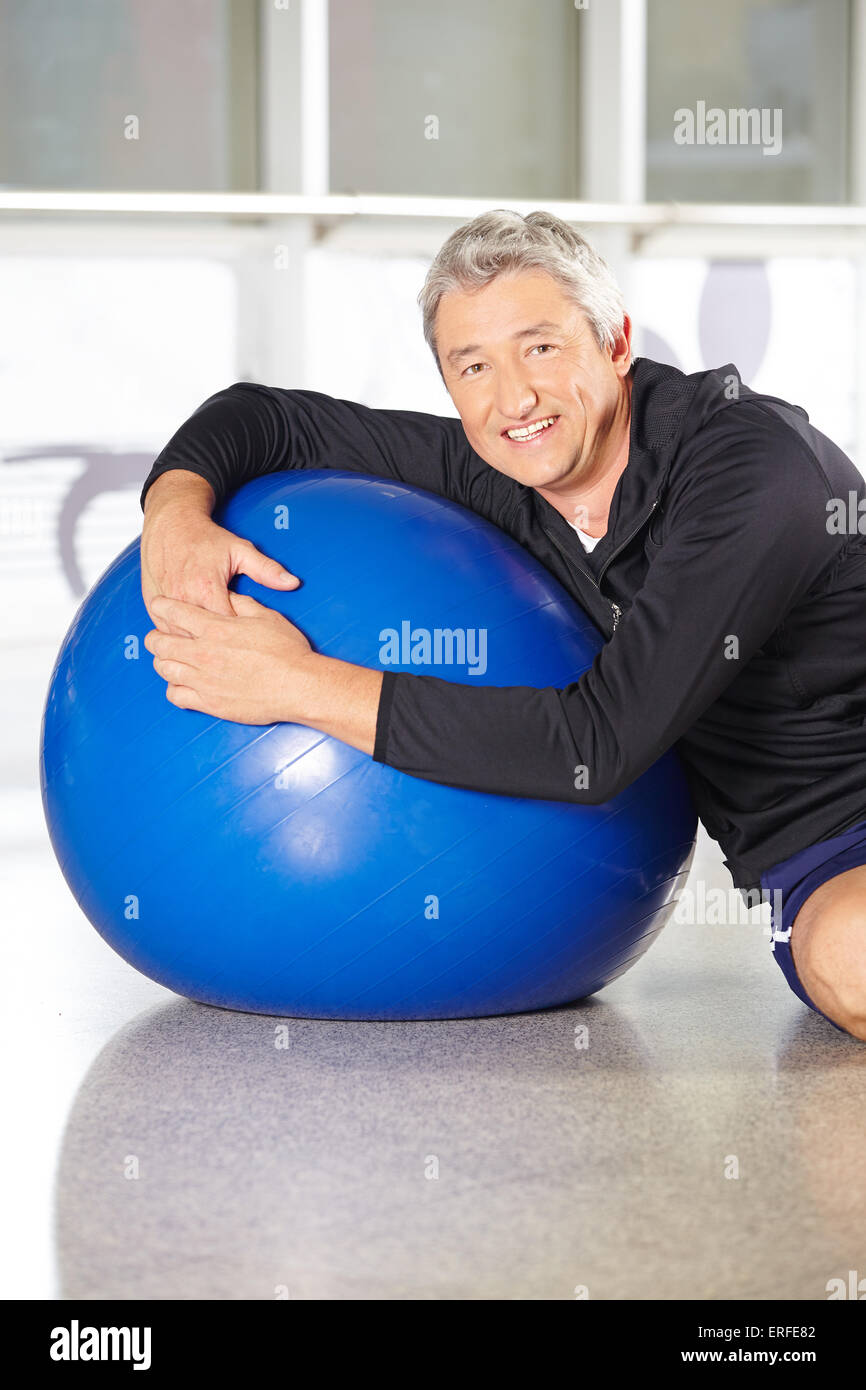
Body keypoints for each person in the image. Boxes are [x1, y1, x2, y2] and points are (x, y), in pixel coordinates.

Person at [139, 208, 866, 1040]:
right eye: (472, 365)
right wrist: (174, 510)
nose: (513, 395)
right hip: (824, 849)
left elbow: (597, 745)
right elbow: (264, 417)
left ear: (617, 342)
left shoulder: (749, 471)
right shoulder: (502, 471)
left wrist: (295, 684)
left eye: (542, 347)